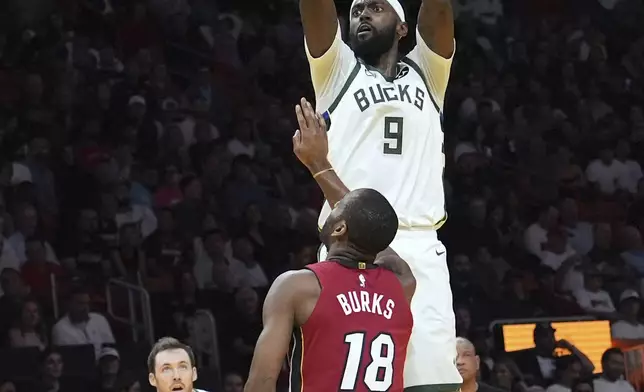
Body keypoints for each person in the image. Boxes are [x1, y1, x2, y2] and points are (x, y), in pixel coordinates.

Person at [299, 0, 458, 385]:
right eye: (356, 11)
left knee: (435, 382)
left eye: (375, 8)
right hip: (350, 249)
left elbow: (437, 13)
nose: (362, 15)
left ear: (403, 28)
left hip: (420, 245)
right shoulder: (336, 70)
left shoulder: (428, 72)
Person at [244, 103, 415, 391]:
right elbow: (380, 238)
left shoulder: (297, 286)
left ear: (339, 228)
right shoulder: (402, 284)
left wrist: (317, 164)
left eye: (336, 211)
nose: (330, 210)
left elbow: (261, 382)